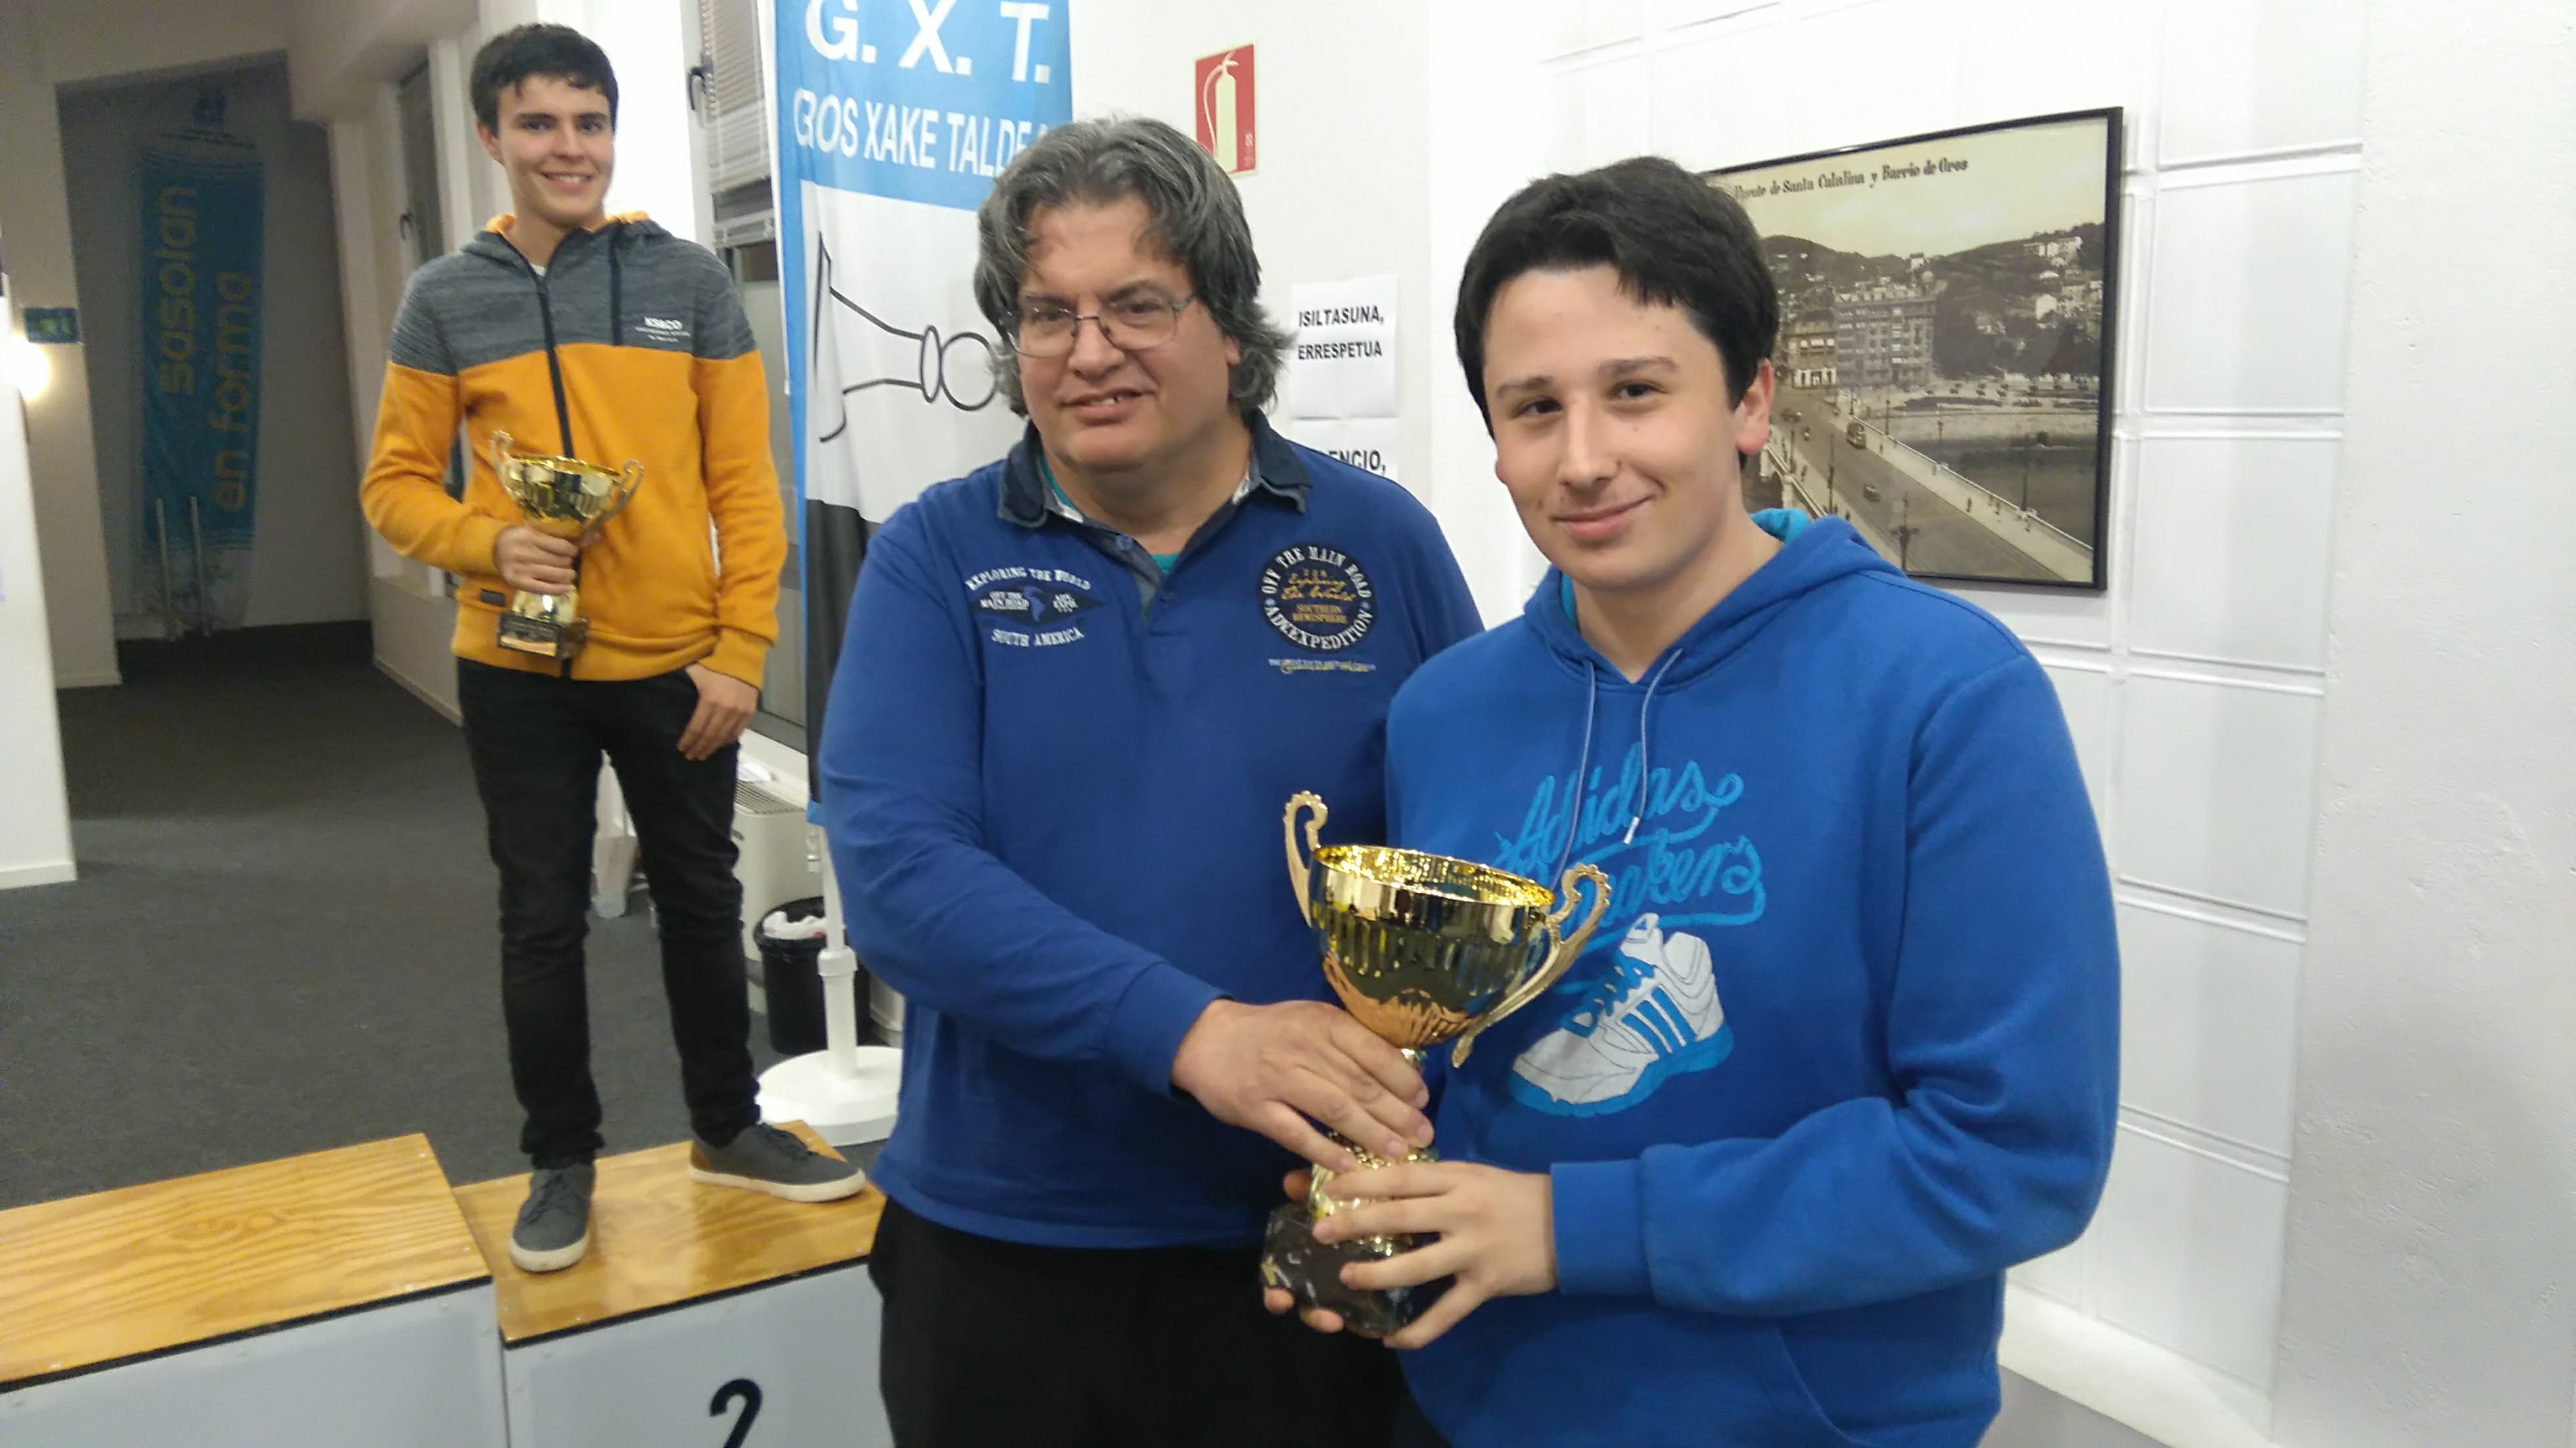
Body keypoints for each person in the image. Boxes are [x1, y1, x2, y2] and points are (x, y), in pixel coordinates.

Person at [1268, 156, 2119, 1447]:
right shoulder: (1445, 709)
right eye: (1534, 408)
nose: (1584, 459)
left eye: (1635, 392)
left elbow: (2014, 1155)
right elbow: (1451, 1040)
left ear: (1750, 401)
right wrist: (1388, 1178)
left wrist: (1569, 1228)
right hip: (1475, 1407)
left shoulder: (1946, 698)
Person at [818, 117, 1484, 1447]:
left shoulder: (1383, 543)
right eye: (1047, 314)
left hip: (1312, 1239)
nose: (1089, 351)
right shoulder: (934, 559)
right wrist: (1196, 1034)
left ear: (1229, 326)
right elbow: (899, 878)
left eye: (1136, 305)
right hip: (1009, 1249)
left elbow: (1468, 863)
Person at [359, 24, 859, 1275]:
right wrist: (487, 541)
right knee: (539, 918)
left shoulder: (688, 282)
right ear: (493, 136)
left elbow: (747, 485)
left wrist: (741, 649)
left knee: (701, 901)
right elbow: (393, 486)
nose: (568, 148)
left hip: (676, 667)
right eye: (539, 124)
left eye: (589, 122)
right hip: (515, 670)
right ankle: (560, 1161)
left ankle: (726, 1129)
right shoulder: (446, 299)